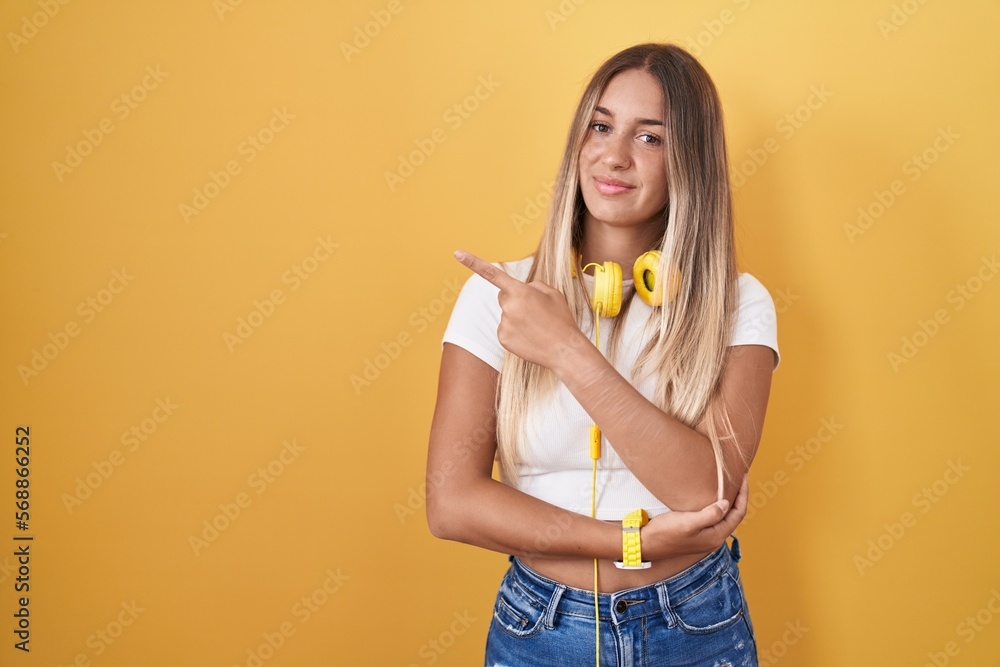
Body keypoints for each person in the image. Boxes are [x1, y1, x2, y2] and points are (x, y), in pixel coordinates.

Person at [426, 43, 779, 667]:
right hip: (540, 626)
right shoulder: (502, 299)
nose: (613, 156)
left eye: (650, 138)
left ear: (688, 163)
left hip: (694, 622)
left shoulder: (736, 303)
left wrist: (569, 351)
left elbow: (707, 490)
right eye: (601, 126)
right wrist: (629, 540)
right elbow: (451, 502)